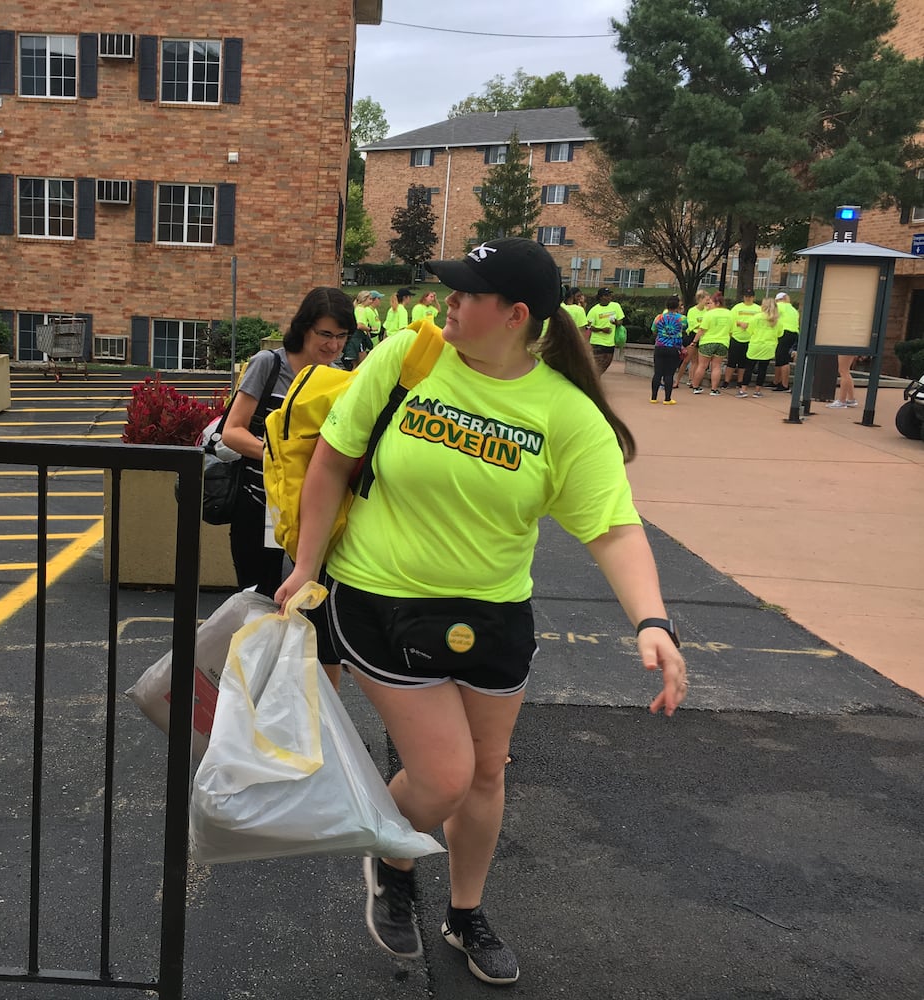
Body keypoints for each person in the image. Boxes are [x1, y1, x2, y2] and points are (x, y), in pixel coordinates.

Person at [274, 238, 687, 987]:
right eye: (447, 291)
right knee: (442, 776)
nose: (446, 304)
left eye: (465, 294)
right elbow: (332, 457)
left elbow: (613, 526)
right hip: (381, 599)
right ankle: (390, 848)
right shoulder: (408, 357)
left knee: (486, 774)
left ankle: (464, 914)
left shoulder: (563, 413)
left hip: (493, 613)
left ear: (515, 315)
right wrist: (307, 565)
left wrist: (652, 622)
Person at [222, 287, 354, 597]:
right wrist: (280, 457)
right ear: (304, 327)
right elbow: (232, 431)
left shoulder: (341, 378)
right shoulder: (268, 364)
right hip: (260, 503)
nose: (333, 345)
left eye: (342, 336)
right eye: (325, 334)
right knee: (258, 601)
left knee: (309, 605)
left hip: (314, 510)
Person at [737, 296, 780, 398]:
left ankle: (743, 390)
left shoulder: (756, 317)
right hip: (769, 346)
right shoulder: (776, 320)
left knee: (749, 368)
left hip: (756, 344)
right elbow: (779, 333)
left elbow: (750, 330)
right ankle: (757, 391)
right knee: (763, 369)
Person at [690, 293, 732, 395]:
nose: (708, 305)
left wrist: (694, 341)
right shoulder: (730, 313)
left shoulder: (709, 314)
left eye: (710, 303)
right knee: (716, 366)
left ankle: (695, 386)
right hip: (722, 342)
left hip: (707, 342)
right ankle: (714, 389)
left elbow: (702, 330)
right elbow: (731, 331)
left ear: (717, 303)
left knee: (702, 365)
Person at [649, 296, 688, 404]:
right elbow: (684, 328)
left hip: (660, 346)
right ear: (677, 306)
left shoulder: (659, 317)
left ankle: (653, 397)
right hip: (674, 348)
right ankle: (667, 399)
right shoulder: (682, 318)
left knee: (657, 373)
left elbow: (653, 330)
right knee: (669, 374)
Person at [725, 289, 761, 391]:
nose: (748, 298)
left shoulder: (758, 309)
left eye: (750, 296)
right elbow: (731, 319)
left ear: (753, 297)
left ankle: (740, 382)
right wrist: (740, 323)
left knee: (744, 363)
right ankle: (727, 381)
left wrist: (749, 325)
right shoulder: (737, 307)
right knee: (731, 361)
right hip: (737, 337)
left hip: (750, 338)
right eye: (746, 296)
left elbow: (760, 322)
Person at [584, 287, 623, 375]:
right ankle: (594, 380)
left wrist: (616, 322)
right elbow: (589, 326)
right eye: (607, 295)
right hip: (597, 342)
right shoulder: (594, 310)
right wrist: (601, 329)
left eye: (610, 295)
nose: (609, 297)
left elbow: (620, 321)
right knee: (597, 363)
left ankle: (595, 377)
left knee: (606, 363)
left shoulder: (615, 306)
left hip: (610, 342)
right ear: (601, 297)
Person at [679, 290, 710, 389]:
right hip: (693, 335)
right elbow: (692, 324)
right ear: (700, 299)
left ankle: (692, 380)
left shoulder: (708, 310)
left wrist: (703, 327)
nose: (708, 302)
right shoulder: (692, 310)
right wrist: (702, 326)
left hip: (704, 336)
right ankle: (677, 380)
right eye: (706, 299)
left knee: (697, 361)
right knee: (687, 360)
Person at [772, 291, 800, 392]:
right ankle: (776, 382)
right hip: (793, 333)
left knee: (782, 358)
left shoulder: (779, 306)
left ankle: (784, 384)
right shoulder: (793, 309)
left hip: (783, 332)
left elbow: (771, 317)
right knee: (780, 356)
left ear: (778, 300)